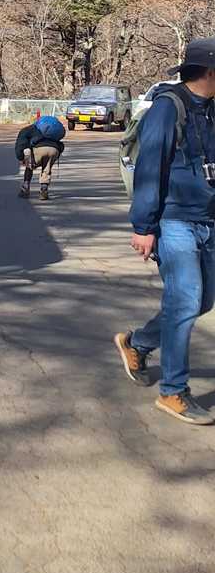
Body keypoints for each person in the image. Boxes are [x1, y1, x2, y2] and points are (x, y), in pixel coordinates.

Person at [115, 38, 215, 425]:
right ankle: (173, 392)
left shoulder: (210, 111)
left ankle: (137, 343)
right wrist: (144, 226)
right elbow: (149, 168)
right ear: (209, 72)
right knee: (186, 300)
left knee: (201, 302)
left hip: (207, 219)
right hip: (174, 221)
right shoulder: (167, 108)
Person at [14, 115, 66, 201]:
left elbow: (21, 144)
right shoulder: (53, 132)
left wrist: (20, 157)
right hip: (54, 150)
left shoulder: (30, 129)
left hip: (38, 149)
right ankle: (44, 189)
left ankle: (25, 188)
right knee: (46, 169)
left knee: (29, 166)